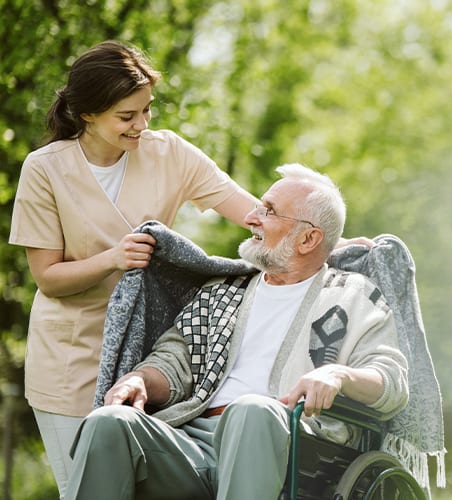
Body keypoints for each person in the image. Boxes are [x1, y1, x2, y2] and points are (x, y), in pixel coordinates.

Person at [8, 40, 262, 497]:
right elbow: (47, 277)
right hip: (70, 361)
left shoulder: (170, 153)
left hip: (144, 363)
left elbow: (254, 213)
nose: (141, 125)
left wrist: (330, 235)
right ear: (87, 113)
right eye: (127, 117)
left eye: (147, 111)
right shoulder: (44, 169)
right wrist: (113, 259)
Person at [64, 163, 409, 499]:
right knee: (109, 422)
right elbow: (174, 361)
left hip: (296, 444)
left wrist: (339, 375)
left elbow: (391, 380)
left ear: (308, 238)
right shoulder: (223, 292)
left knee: (252, 409)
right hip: (195, 442)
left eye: (269, 211)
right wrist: (139, 379)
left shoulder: (353, 296)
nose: (251, 217)